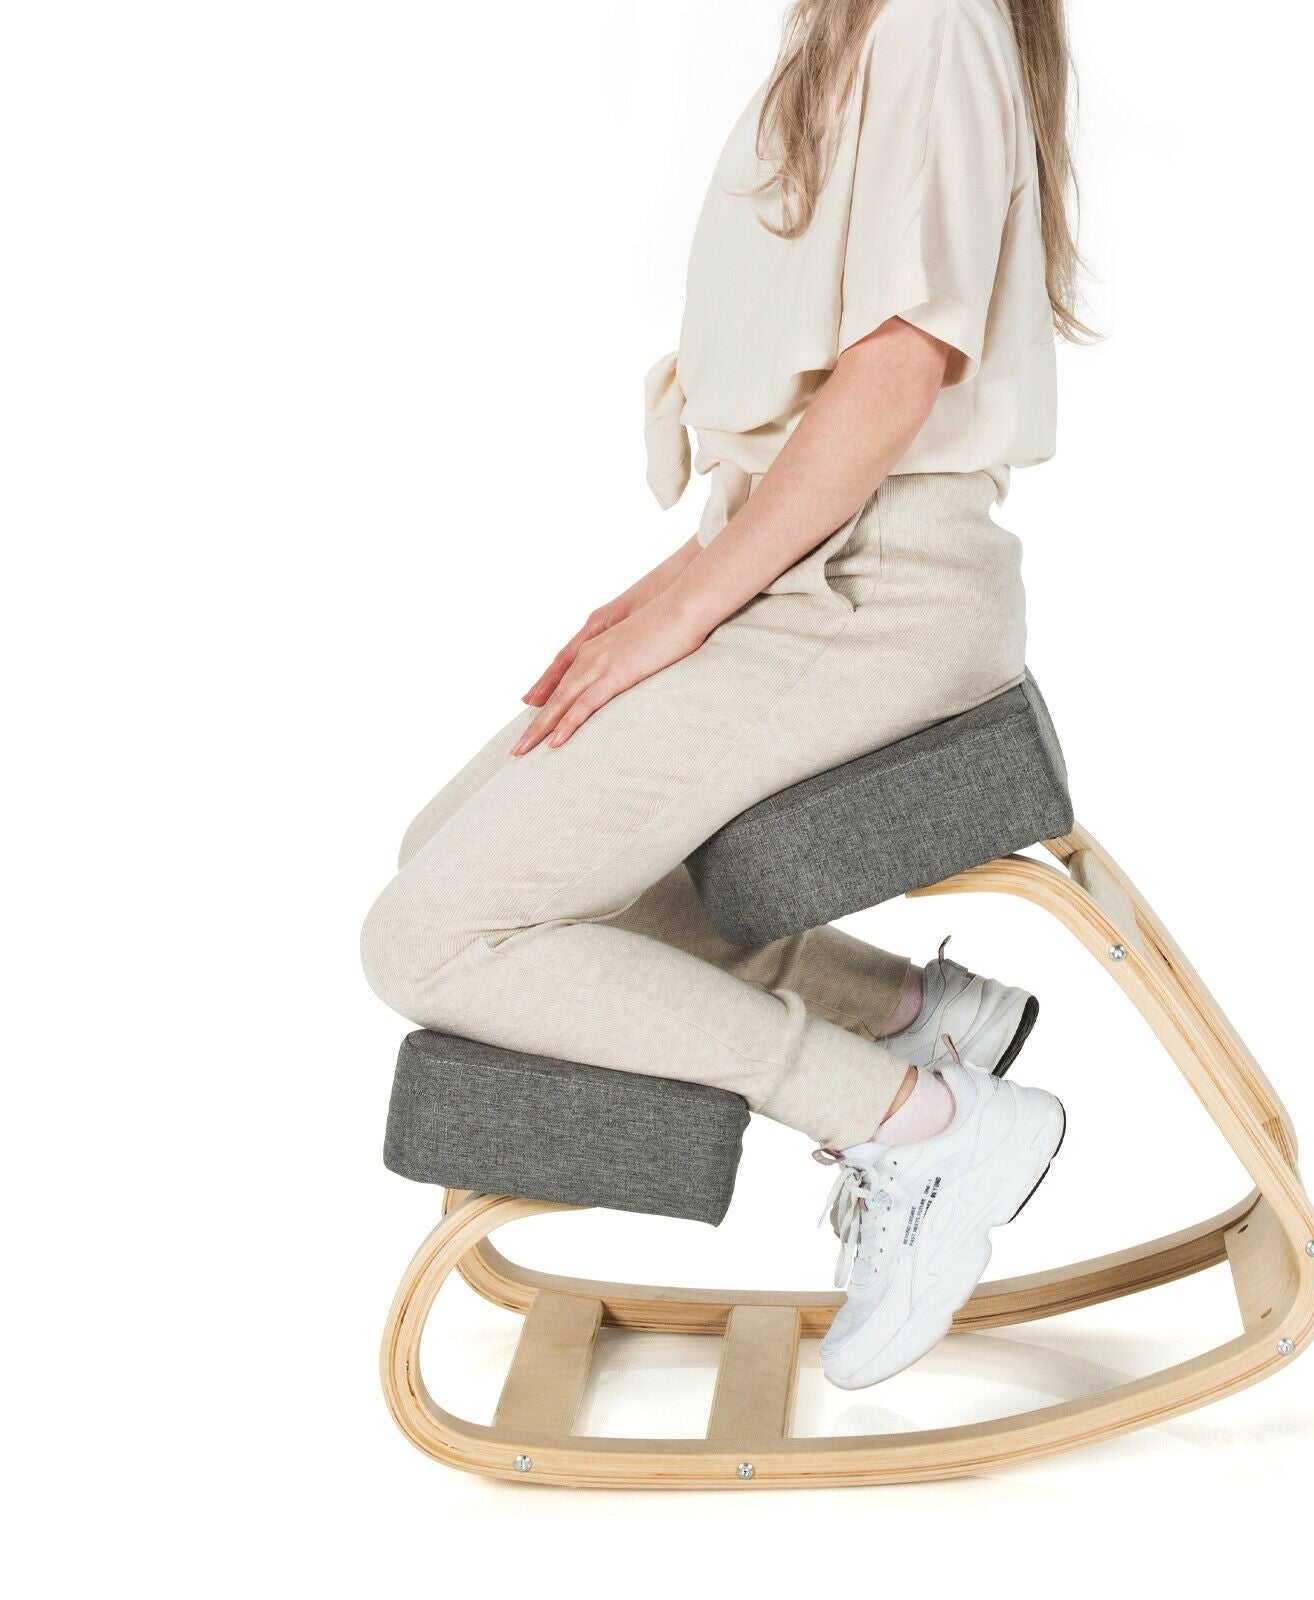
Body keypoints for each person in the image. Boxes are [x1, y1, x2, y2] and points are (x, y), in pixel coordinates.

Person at [361, 0, 1095, 1390]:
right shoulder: (851, 25)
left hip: (878, 599)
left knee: (432, 938)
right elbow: (814, 413)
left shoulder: (928, 20)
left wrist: (695, 605)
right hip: (805, 568)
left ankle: (925, 1124)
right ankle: (908, 1016)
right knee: (445, 860)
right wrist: (673, 583)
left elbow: (897, 373)